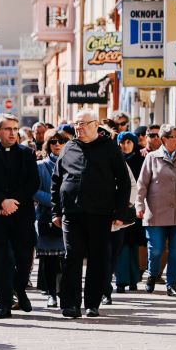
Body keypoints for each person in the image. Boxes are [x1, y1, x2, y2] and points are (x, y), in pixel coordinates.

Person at [51, 109, 132, 318]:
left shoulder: (110, 149)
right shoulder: (69, 147)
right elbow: (56, 181)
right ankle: (70, 304)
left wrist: (120, 212)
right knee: (72, 256)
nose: (79, 127)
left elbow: (123, 183)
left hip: (100, 213)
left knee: (98, 258)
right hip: (71, 213)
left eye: (84, 123)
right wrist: (55, 211)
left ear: (96, 125)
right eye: (77, 124)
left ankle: (92, 303)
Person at [0, 114, 40, 319]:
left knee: (23, 260)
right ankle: (3, 303)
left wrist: (12, 203)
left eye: (15, 129)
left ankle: (20, 290)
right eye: (8, 129)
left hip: (21, 215)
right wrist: (2, 202)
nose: (13, 133)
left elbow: (33, 183)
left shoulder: (28, 154)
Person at [136, 123, 176, 296]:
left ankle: (172, 284)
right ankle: (153, 275)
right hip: (155, 212)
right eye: (175, 137)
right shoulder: (152, 157)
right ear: (164, 139)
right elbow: (142, 185)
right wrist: (139, 205)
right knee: (156, 250)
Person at [34, 133, 67, 308]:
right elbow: (33, 190)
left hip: (69, 216)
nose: (57, 145)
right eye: (53, 142)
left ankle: (64, 293)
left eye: (61, 141)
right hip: (47, 217)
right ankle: (51, 294)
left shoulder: (73, 163)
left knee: (66, 259)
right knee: (49, 259)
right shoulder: (40, 166)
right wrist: (55, 201)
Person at [114, 131, 146, 292]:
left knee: (133, 245)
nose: (125, 145)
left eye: (129, 142)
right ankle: (121, 280)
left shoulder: (142, 160)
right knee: (120, 245)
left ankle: (134, 279)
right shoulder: (115, 159)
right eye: (122, 142)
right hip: (118, 208)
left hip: (134, 208)